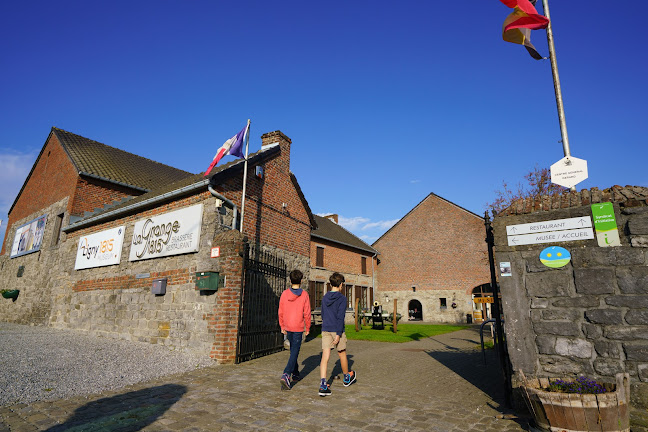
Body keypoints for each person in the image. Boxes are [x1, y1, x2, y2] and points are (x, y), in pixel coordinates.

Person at [318, 272, 356, 396]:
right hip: (337, 329)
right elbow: (340, 317)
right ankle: (346, 378)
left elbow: (323, 314)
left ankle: (323, 385)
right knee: (342, 353)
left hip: (326, 329)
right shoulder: (342, 298)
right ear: (340, 284)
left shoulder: (325, 297)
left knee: (325, 357)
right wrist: (338, 334)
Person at [278, 269, 311, 390]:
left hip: (288, 325)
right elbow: (307, 313)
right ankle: (286, 374)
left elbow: (280, 311)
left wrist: (282, 325)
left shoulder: (284, 294)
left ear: (290, 280)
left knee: (293, 350)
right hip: (297, 326)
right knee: (295, 351)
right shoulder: (304, 295)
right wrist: (307, 327)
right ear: (301, 281)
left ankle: (296, 374)